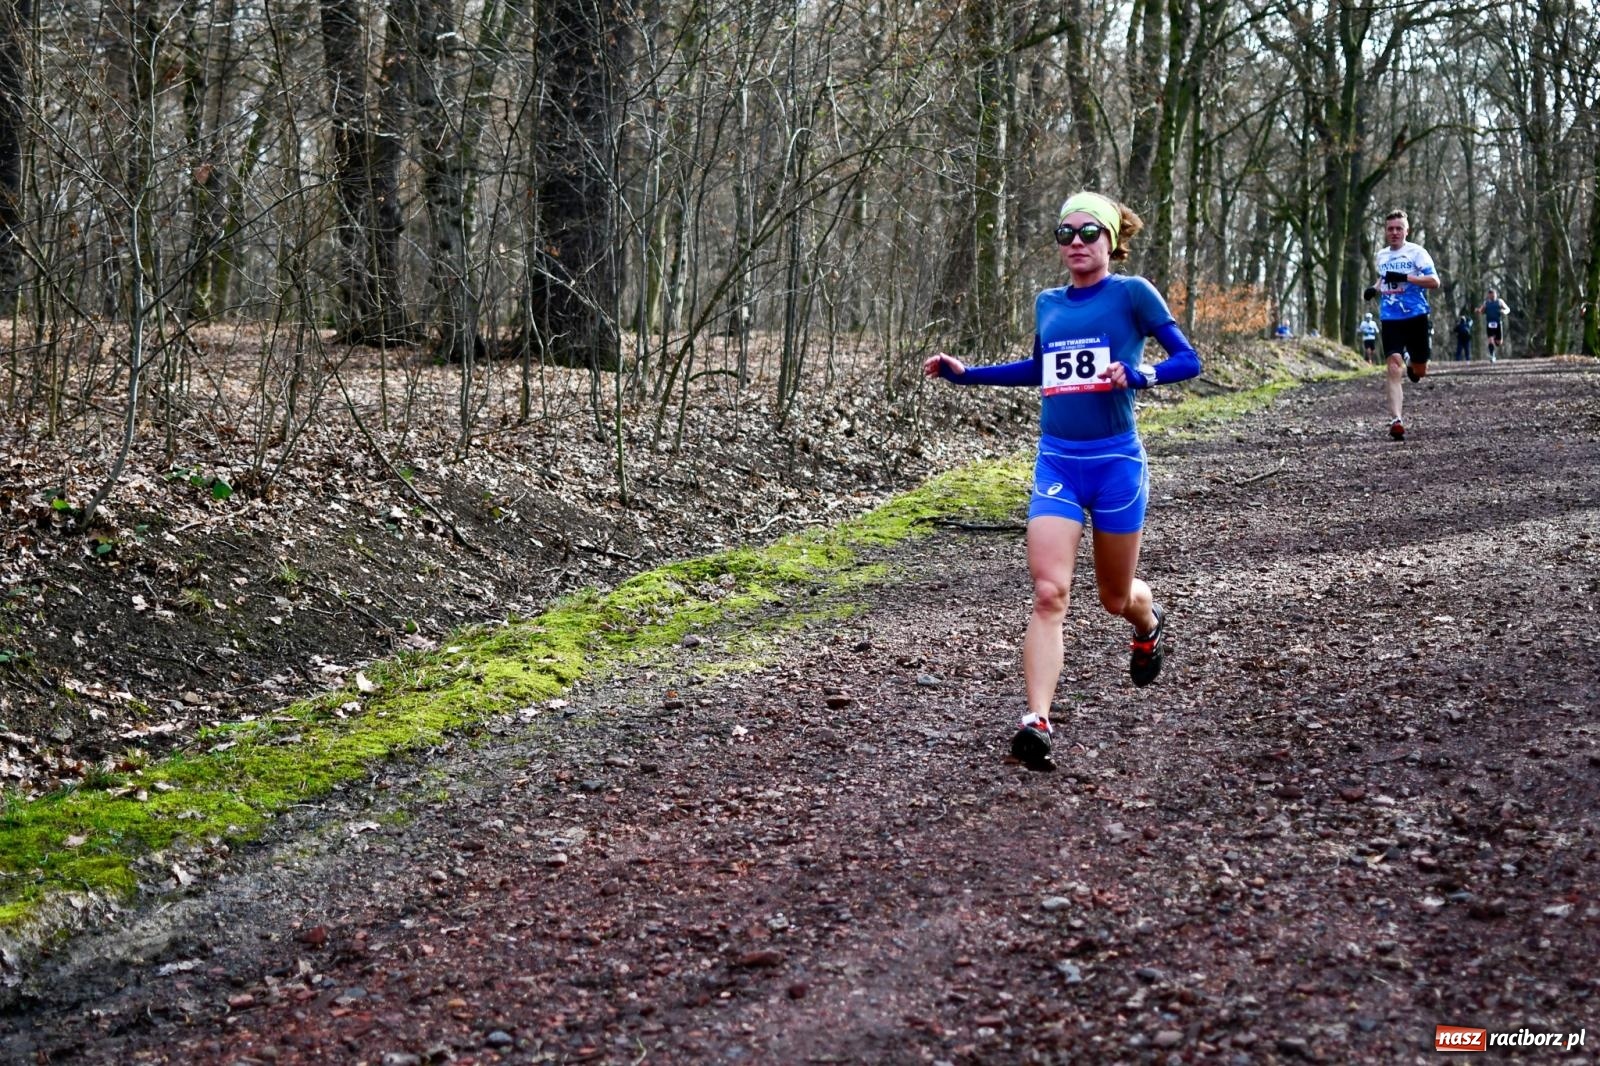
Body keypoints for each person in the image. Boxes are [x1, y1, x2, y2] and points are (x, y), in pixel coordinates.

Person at [923, 191, 1201, 772]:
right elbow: (1039, 369)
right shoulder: (1047, 303)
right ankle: (1038, 720)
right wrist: (968, 374)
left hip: (1117, 463)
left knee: (1114, 598)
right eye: (1064, 232)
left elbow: (1187, 359)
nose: (1076, 241)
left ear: (1111, 240)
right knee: (1050, 593)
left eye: (1088, 231)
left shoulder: (1132, 293)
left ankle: (1147, 623)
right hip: (1057, 462)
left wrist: (1141, 373)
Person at [1363, 209, 1439, 441]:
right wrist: (1374, 289)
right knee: (1393, 367)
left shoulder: (1417, 253)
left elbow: (1434, 281)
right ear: (1386, 232)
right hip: (1390, 318)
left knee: (1420, 370)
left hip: (1416, 316)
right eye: (1390, 229)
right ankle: (1397, 420)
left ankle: (1412, 362)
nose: (1394, 232)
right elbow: (1385, 278)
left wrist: (1406, 278)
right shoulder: (1381, 256)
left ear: (1407, 230)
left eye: (1399, 228)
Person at [1478, 288, 1509, 362]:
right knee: (1490, 340)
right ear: (1488, 296)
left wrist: (1504, 311)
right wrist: (1479, 311)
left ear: (1495, 295)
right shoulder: (1486, 303)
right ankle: (1492, 356)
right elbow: (1481, 310)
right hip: (1489, 324)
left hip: (1498, 323)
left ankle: (1496, 340)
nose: (1492, 297)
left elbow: (1508, 309)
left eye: (1493, 295)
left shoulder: (1500, 301)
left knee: (1498, 342)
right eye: (1490, 295)